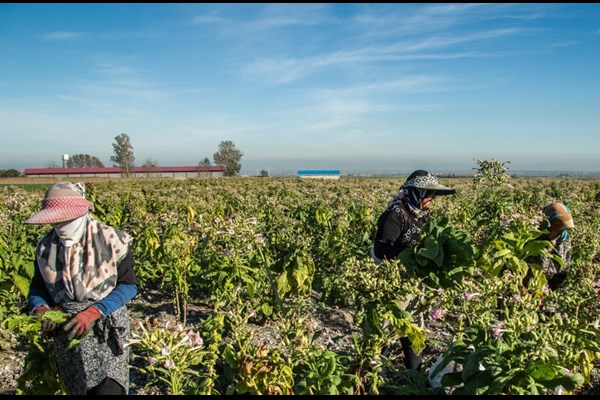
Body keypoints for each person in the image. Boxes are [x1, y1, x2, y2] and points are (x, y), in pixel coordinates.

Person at [24, 182, 138, 395]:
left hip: (106, 325)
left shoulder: (113, 240)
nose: (60, 225)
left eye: (65, 220)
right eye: (56, 221)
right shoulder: (46, 246)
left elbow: (129, 285)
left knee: (109, 388)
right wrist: (40, 308)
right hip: (68, 329)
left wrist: (94, 311)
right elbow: (37, 288)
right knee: (78, 387)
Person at [371, 170, 456, 370]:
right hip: (393, 282)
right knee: (387, 330)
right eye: (428, 193)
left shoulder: (422, 216)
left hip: (413, 282)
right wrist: (412, 252)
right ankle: (374, 378)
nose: (432, 199)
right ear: (416, 193)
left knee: (413, 330)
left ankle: (414, 378)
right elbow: (381, 248)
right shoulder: (396, 214)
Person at [535, 201, 574, 290]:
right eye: (557, 229)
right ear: (547, 226)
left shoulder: (564, 238)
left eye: (563, 230)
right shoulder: (533, 240)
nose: (561, 234)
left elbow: (565, 267)